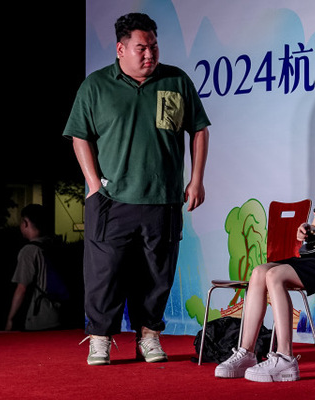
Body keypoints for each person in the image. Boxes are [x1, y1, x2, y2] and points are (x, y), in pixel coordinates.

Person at [63, 13, 210, 365]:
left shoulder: (176, 81)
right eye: (141, 47)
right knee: (105, 273)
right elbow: (80, 136)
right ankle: (100, 338)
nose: (150, 54)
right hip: (110, 200)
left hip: (163, 198)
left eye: (154, 46)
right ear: (120, 49)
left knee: (157, 273)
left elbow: (199, 129)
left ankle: (149, 336)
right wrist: (94, 185)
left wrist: (196, 179)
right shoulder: (96, 86)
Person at [215, 121, 315, 382]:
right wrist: (307, 229)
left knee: (275, 275)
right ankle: (247, 352)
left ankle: (285, 358)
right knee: (259, 272)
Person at [6, 204, 63, 331]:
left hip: (39, 318)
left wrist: (10, 319)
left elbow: (21, 288)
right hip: (59, 313)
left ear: (25, 223)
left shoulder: (29, 251)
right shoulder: (55, 246)